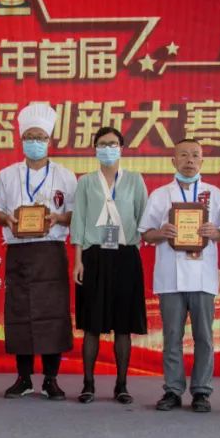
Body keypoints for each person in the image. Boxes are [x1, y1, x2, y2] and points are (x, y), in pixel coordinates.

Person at [0, 103, 76, 400]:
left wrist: (58, 218)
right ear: (21, 140)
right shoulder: (7, 175)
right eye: (29, 137)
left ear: (49, 140)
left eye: (40, 137)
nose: (35, 142)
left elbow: (76, 215)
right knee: (19, 313)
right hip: (19, 252)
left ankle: (51, 380)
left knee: (53, 314)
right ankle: (23, 378)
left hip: (51, 252)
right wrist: (8, 220)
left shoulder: (65, 176)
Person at [139, 139, 220, 412]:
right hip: (170, 276)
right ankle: (173, 390)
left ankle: (201, 391)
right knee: (172, 336)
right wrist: (161, 232)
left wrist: (215, 232)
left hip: (203, 276)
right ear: (173, 160)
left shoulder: (214, 194)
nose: (190, 160)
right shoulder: (160, 195)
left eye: (195, 155)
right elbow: (146, 233)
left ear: (202, 161)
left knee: (204, 337)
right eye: (184, 155)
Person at [70, 126, 148, 404]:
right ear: (95, 149)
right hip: (93, 256)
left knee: (123, 326)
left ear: (121, 148)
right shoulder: (85, 182)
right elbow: (78, 221)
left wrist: (137, 245)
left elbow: (144, 219)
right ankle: (88, 383)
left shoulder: (135, 180)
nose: (107, 148)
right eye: (102, 144)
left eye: (113, 144)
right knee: (91, 325)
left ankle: (121, 385)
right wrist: (78, 261)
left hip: (125, 256)